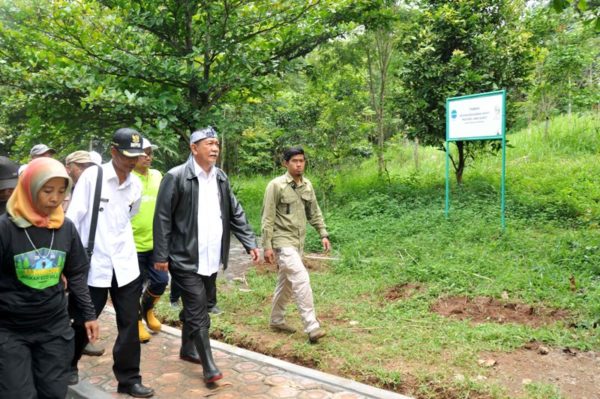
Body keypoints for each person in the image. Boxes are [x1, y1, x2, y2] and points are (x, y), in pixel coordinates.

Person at [153, 126, 259, 383]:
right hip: (184, 257)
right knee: (199, 309)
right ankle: (209, 367)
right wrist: (161, 255)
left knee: (198, 305)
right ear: (193, 148)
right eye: (209, 143)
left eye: (217, 144)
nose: (214, 148)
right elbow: (163, 218)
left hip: (211, 258)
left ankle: (187, 348)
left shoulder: (220, 177)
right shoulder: (176, 176)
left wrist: (250, 242)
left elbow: (235, 212)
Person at [0, 157, 99, 399]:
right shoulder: (6, 228)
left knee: (54, 392)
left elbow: (76, 274)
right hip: (10, 329)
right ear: (30, 189)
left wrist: (88, 314)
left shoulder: (65, 227)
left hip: (53, 326)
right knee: (18, 394)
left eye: (61, 191)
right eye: (47, 190)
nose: (55, 198)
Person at [67, 128, 154, 398]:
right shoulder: (94, 177)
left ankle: (129, 379)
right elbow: (73, 219)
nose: (133, 161)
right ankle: (67, 364)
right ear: (113, 151)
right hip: (92, 264)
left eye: (137, 156)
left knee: (129, 321)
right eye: (127, 155)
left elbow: (129, 215)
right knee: (82, 318)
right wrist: (67, 265)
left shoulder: (135, 184)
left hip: (125, 265)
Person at [261, 146, 330, 343]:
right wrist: (266, 246)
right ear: (285, 163)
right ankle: (312, 326)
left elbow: (314, 212)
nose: (299, 164)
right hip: (282, 242)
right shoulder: (276, 185)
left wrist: (323, 233)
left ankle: (276, 319)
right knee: (301, 278)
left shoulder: (307, 185)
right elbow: (267, 217)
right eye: (294, 161)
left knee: (286, 284)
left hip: (298, 242)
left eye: (301, 160)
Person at [63, 150, 106, 357]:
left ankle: (78, 343)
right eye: (80, 166)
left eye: (87, 166)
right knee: (75, 307)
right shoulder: (65, 187)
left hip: (87, 258)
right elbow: (71, 221)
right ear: (68, 167)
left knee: (85, 305)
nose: (84, 170)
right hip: (69, 255)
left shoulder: (97, 185)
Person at [131, 138, 167, 343]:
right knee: (133, 287)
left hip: (156, 243)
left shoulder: (157, 176)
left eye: (150, 152)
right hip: (133, 244)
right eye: (143, 152)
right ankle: (135, 321)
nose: (148, 156)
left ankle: (148, 310)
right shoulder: (128, 177)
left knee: (161, 281)